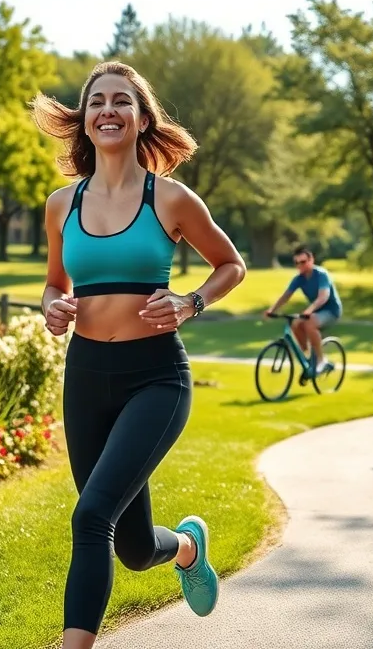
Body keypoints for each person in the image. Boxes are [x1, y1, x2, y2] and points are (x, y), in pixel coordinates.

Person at [31, 61, 247, 649]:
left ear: (142, 117)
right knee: (128, 546)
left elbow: (231, 265)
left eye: (122, 101)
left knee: (89, 517)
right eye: (97, 100)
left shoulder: (171, 199)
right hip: (86, 377)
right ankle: (186, 547)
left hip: (156, 379)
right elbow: (56, 284)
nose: (108, 109)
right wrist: (51, 306)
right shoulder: (61, 204)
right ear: (84, 119)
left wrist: (191, 302)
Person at [264, 246, 343, 376]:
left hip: (331, 311)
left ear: (311, 260)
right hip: (315, 312)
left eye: (303, 262)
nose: (300, 266)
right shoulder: (299, 279)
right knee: (295, 323)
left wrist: (310, 310)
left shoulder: (321, 274)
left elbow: (323, 296)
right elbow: (286, 296)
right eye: (296, 263)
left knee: (309, 323)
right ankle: (307, 357)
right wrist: (272, 310)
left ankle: (321, 360)